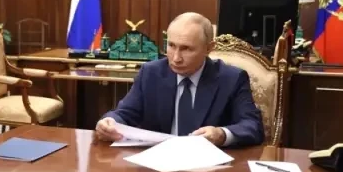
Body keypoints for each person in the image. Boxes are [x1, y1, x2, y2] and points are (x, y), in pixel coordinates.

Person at [95, 12, 264, 146]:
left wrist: (221, 134)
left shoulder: (232, 79)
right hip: (157, 167)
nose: (176, 58)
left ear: (209, 48)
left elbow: (252, 126)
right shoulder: (151, 73)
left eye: (186, 49)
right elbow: (124, 113)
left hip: (209, 170)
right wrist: (109, 122)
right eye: (171, 46)